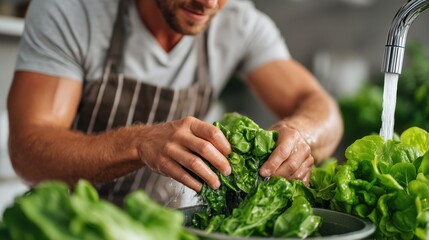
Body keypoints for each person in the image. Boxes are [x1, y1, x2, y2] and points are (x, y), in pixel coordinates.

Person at [7, 0, 343, 207]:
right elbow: (29, 149)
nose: (208, 2)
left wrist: (302, 134)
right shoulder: (72, 10)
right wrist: (139, 143)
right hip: (67, 222)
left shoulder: (240, 22)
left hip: (164, 224)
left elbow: (320, 107)